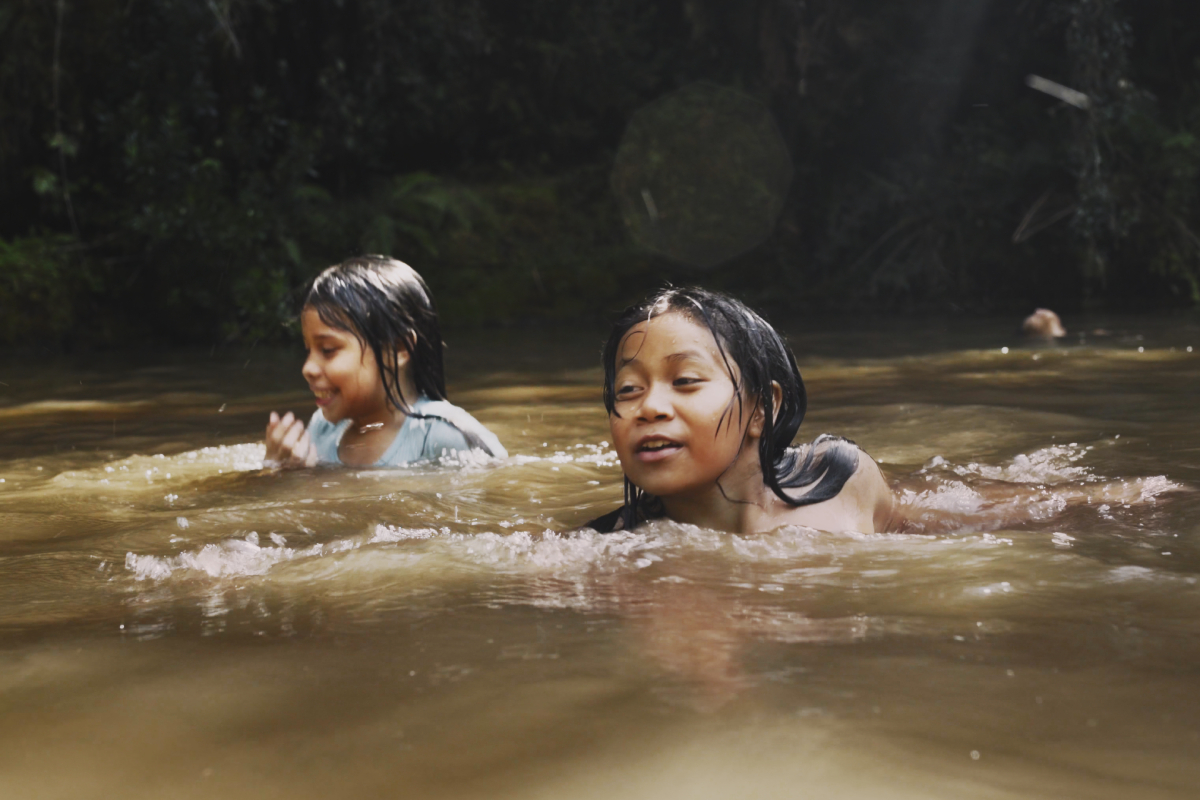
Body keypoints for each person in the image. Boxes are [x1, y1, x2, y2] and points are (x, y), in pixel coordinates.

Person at [585, 287, 1170, 534]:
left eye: (685, 381)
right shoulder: (617, 547)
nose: (649, 408)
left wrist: (1096, 498)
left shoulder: (839, 478)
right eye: (628, 391)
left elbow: (945, 520)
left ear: (762, 408)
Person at [264, 255, 506, 469]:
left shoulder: (446, 435)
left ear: (399, 348)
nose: (308, 368)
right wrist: (279, 471)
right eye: (308, 350)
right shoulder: (322, 428)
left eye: (328, 350)